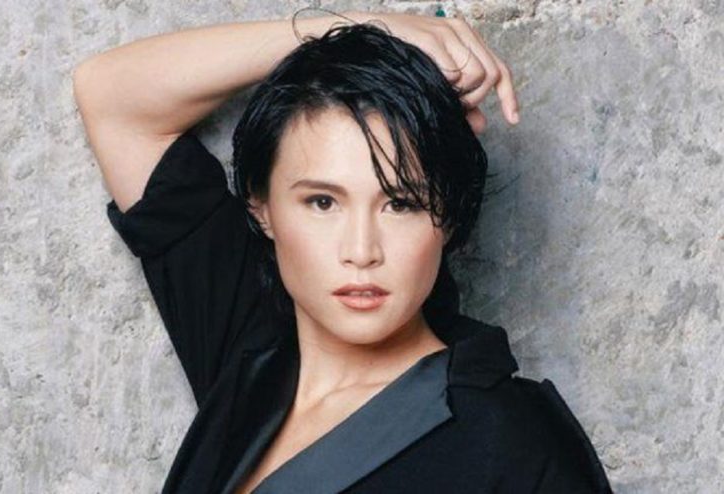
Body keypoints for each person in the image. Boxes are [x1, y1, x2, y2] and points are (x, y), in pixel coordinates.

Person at [73, 8, 613, 493]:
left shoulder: (511, 439)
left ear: (447, 215)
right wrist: (356, 30)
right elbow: (112, 98)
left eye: (400, 204)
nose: (361, 250)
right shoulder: (250, 352)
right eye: (323, 202)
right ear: (261, 207)